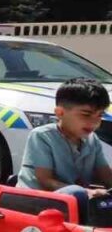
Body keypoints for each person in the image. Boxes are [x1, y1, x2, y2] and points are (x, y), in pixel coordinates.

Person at [17, 77, 112, 223]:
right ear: (60, 113)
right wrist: (88, 192)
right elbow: (46, 181)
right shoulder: (42, 136)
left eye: (99, 115)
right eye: (86, 114)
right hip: (39, 202)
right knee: (77, 192)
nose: (94, 122)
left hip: (72, 204)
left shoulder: (92, 140)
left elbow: (106, 176)